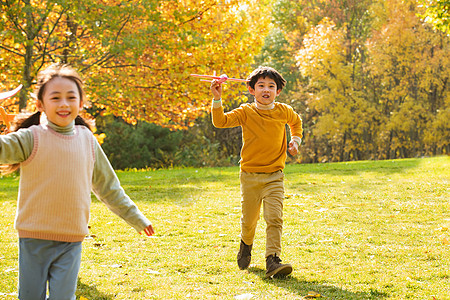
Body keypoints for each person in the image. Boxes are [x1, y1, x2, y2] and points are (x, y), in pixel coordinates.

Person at [0, 63, 155, 300]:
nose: (64, 104)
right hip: (33, 239)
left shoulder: (87, 141)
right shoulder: (32, 138)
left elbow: (109, 188)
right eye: (55, 97)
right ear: (41, 104)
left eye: (71, 97)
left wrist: (135, 217)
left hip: (71, 240)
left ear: (81, 103)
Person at [210, 66, 303, 278]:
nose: (266, 90)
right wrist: (217, 98)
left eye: (271, 86)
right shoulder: (246, 112)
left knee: (274, 218)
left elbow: (296, 122)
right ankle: (246, 244)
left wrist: (295, 141)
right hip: (250, 176)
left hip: (275, 176)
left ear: (278, 91)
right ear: (252, 90)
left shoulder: (284, 111)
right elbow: (220, 121)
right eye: (261, 85)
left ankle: (273, 260)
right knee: (249, 220)